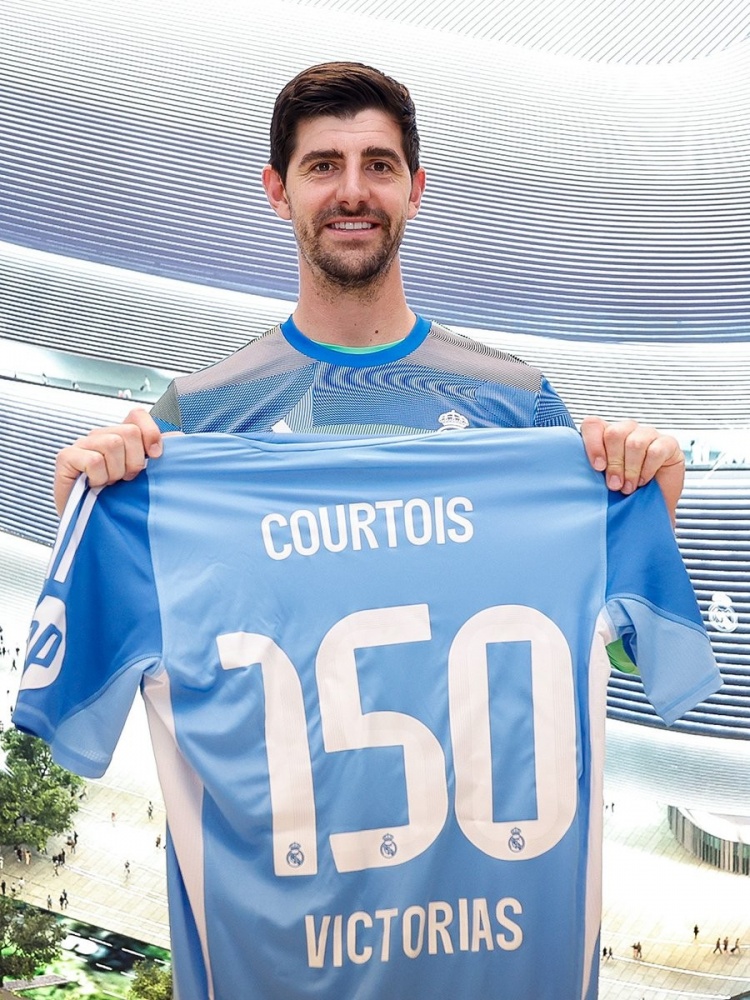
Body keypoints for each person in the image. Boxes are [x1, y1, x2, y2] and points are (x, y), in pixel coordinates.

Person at [51, 62, 685, 523]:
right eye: (323, 166)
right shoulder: (194, 419)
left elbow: (608, 637)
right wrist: (84, 506)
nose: (353, 192)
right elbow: (132, 626)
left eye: (379, 165)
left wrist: (647, 504)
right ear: (278, 191)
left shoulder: (520, 403)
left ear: (415, 190)